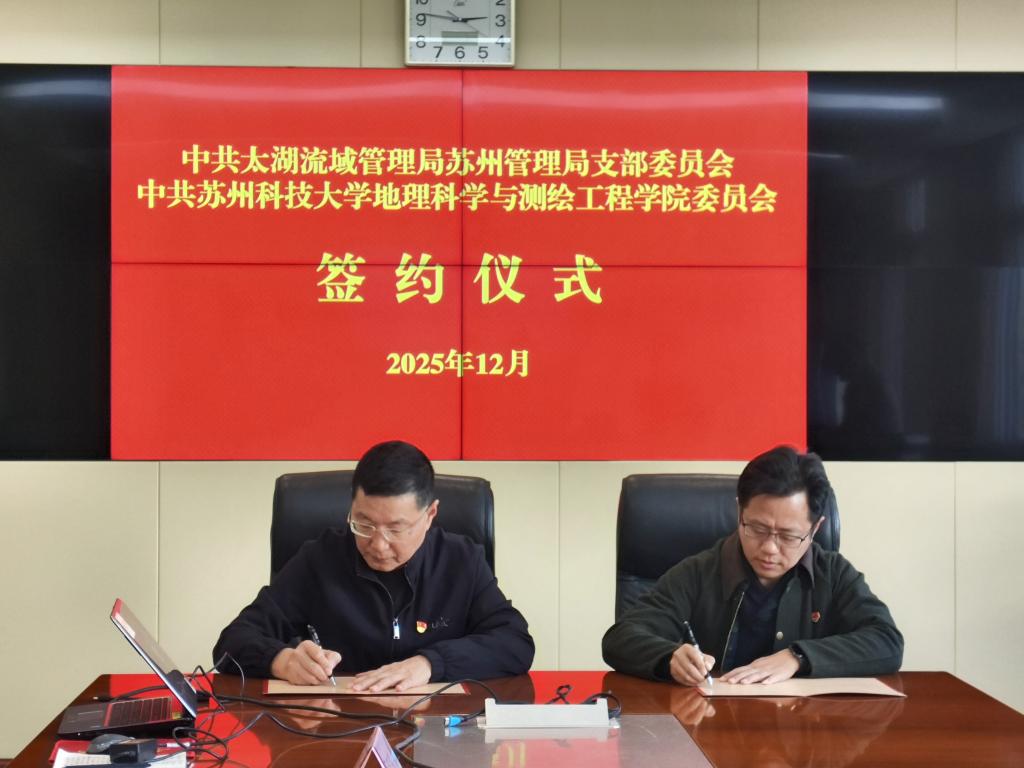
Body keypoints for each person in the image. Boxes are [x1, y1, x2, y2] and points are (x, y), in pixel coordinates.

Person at [214, 440, 534, 691]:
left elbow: (515, 642)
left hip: (437, 732)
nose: (378, 545)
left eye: (396, 529)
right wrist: (281, 660)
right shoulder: (319, 560)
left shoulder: (461, 562)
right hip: (338, 731)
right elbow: (233, 641)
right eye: (363, 524)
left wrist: (430, 663)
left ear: (430, 515)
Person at [602, 446, 903, 685]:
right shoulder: (699, 573)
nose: (769, 548)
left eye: (788, 536)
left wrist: (798, 657)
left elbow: (887, 641)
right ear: (739, 512)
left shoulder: (833, 574)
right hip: (712, 729)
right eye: (757, 529)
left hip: (803, 732)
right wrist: (669, 657)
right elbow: (620, 638)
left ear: (815, 529)